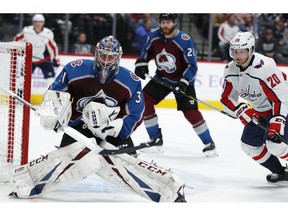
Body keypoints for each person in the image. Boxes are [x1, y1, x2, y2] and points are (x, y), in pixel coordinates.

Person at [10, 35, 186, 202]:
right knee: (77, 156)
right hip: (78, 128)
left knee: (125, 162)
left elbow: (135, 113)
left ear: (118, 57)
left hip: (111, 130)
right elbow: (56, 92)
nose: (105, 60)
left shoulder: (130, 81)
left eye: (110, 57)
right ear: (96, 53)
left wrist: (116, 127)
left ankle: (169, 190)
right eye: (103, 55)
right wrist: (53, 113)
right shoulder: (74, 68)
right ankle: (27, 182)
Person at [134, 13, 217, 157]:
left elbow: (192, 66)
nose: (165, 25)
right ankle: (155, 140)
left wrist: (184, 82)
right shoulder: (154, 35)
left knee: (190, 113)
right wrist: (142, 63)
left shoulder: (185, 40)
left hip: (183, 81)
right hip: (162, 78)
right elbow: (146, 51)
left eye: (168, 22)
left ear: (175, 23)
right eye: (163, 22)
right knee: (144, 101)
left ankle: (209, 144)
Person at [220, 31, 288, 183]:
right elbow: (226, 99)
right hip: (262, 112)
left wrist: (277, 121)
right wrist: (239, 110)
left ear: (251, 50)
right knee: (249, 144)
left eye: (242, 51)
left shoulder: (265, 67)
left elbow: (281, 98)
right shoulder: (230, 70)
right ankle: (281, 172)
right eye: (235, 51)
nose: (237, 55)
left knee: (276, 145)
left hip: (283, 106)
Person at [14, 14, 60, 87]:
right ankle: (19, 96)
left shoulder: (47, 33)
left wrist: (55, 59)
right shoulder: (27, 31)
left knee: (51, 80)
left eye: (40, 22)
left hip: (44, 59)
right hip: (29, 60)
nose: (38, 24)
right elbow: (17, 39)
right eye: (36, 22)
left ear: (43, 23)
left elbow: (53, 47)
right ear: (33, 22)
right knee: (22, 80)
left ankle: (52, 96)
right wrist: (19, 50)